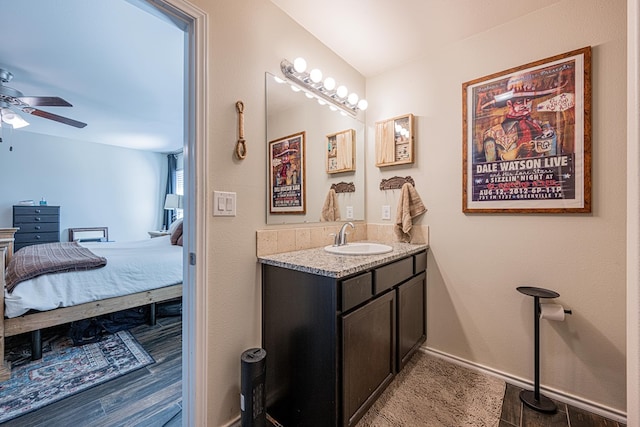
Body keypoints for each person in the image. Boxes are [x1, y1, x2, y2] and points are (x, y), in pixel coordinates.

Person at [480, 73, 565, 161]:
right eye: (520, 101)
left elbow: (554, 159)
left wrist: (551, 137)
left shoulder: (542, 127)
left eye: (528, 100)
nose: (525, 105)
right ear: (509, 104)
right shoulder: (492, 133)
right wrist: (516, 152)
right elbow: (490, 165)